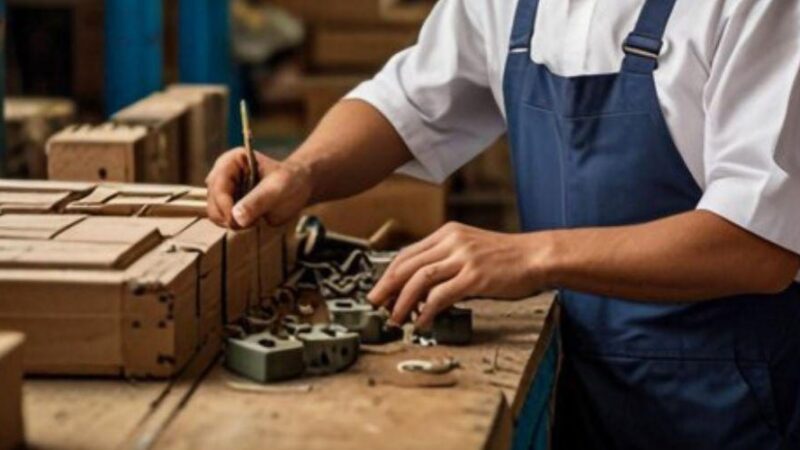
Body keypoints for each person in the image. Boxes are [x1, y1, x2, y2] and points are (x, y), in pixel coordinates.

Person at [206, 0, 800, 447]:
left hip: (729, 400)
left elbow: (759, 242)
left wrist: (531, 256)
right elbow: (409, 102)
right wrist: (304, 172)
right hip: (578, 375)